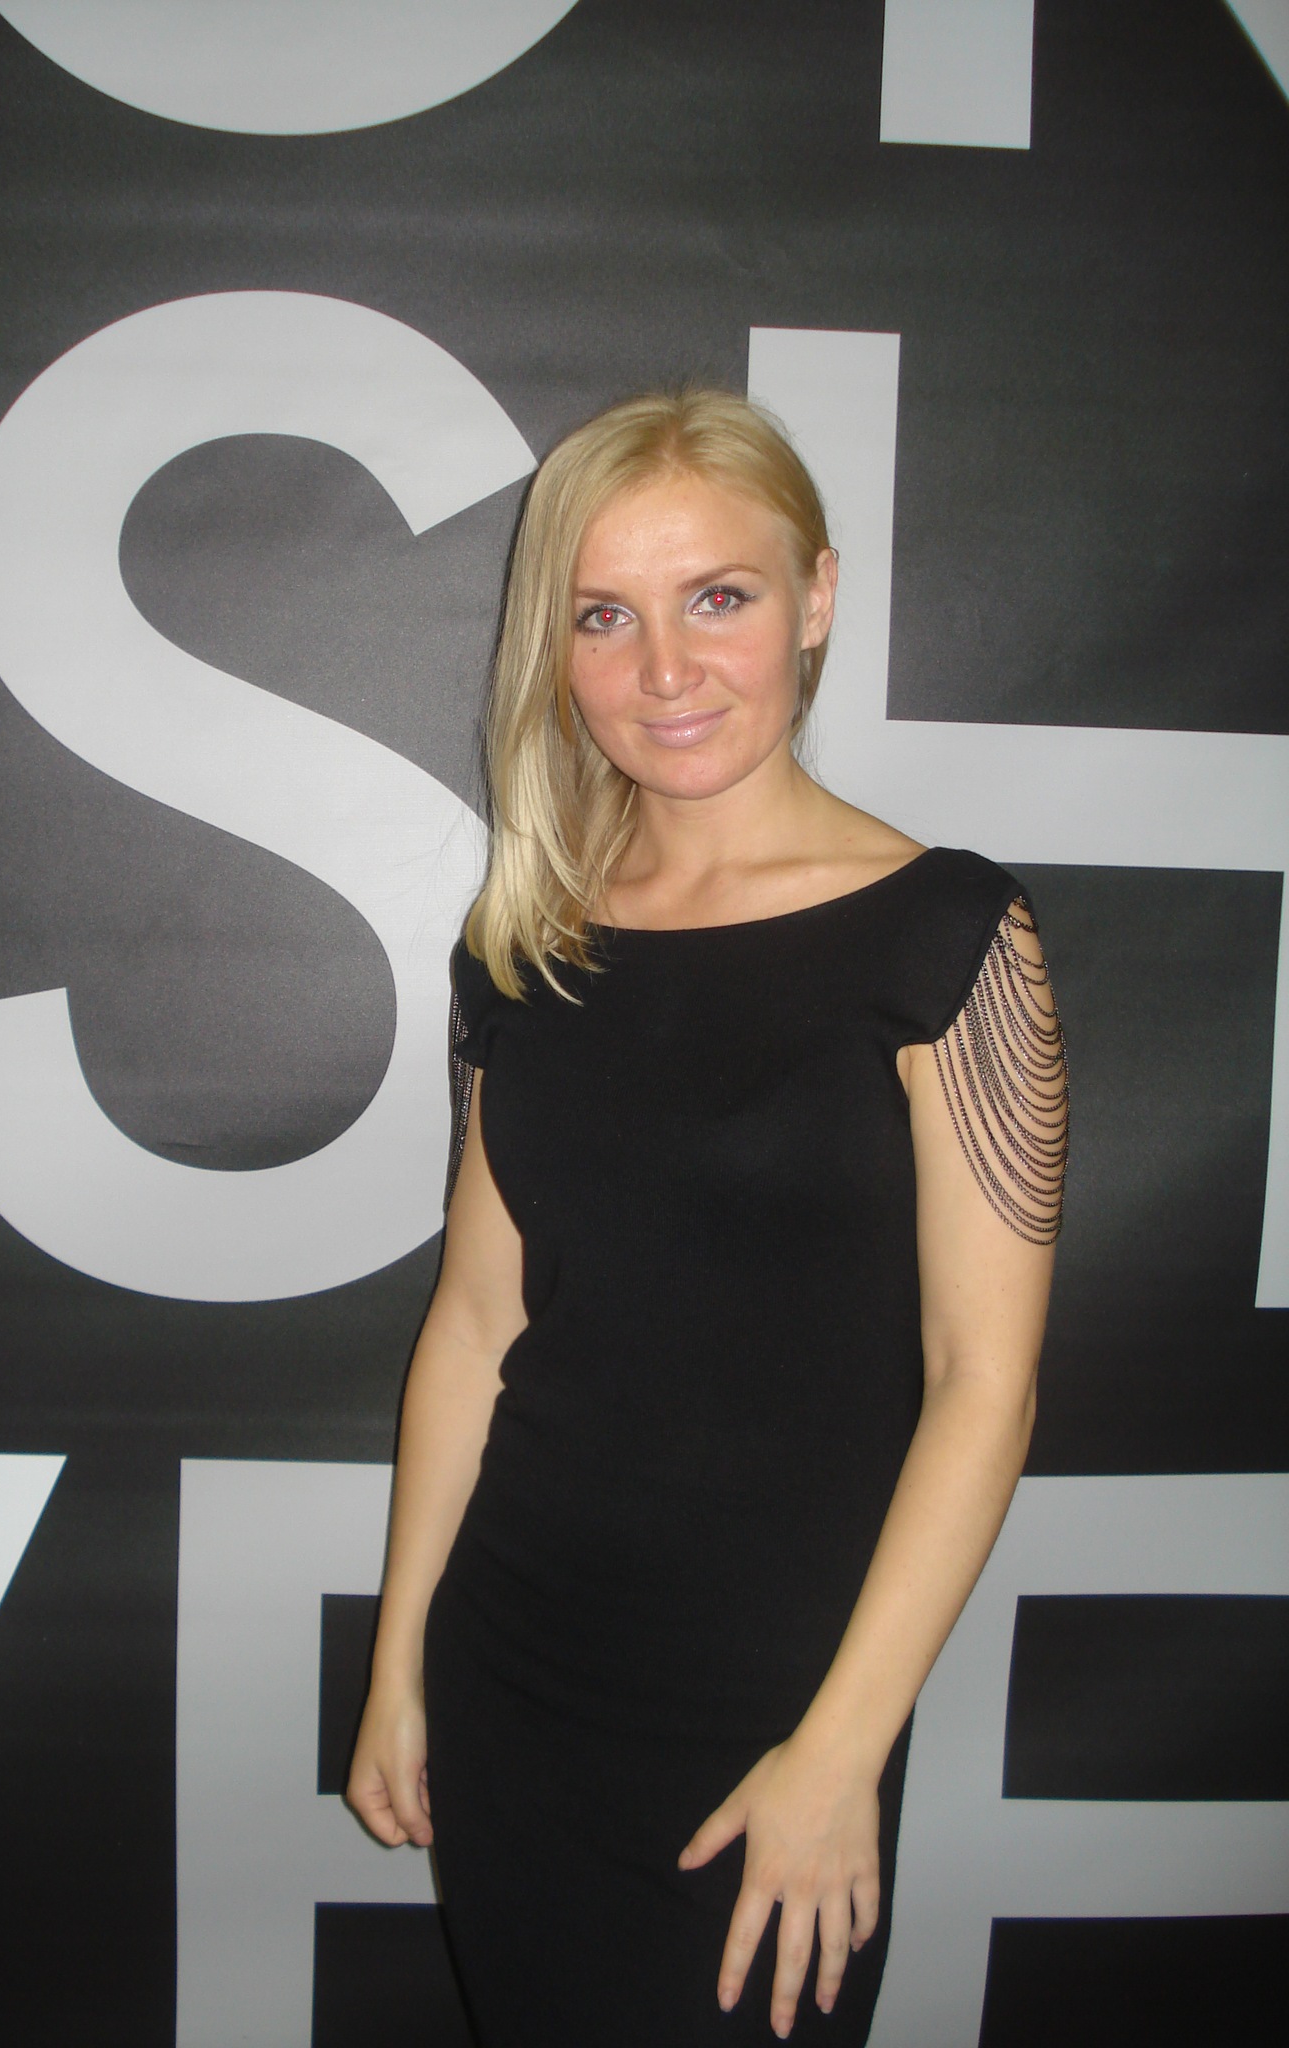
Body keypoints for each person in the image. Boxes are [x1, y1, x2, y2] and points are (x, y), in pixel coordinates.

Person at [347, 388, 1068, 2044]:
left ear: (817, 599)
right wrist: (400, 1661)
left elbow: (986, 1385)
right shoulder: (523, 944)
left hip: (776, 1714)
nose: (663, 670)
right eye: (605, 616)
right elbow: (476, 1325)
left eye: (717, 598)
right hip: (513, 1673)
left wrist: (841, 1751)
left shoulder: (953, 937)